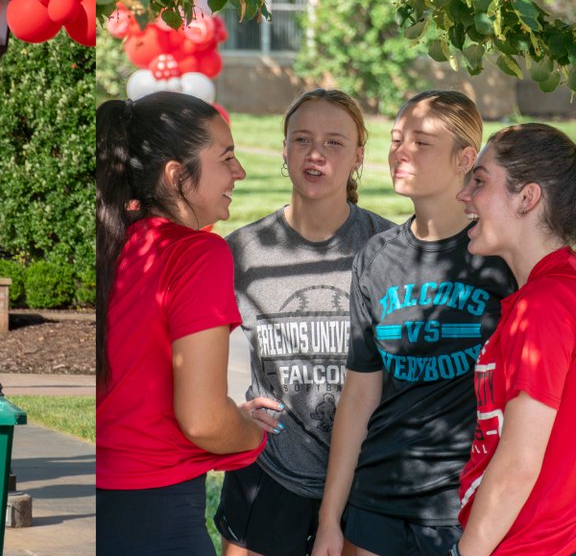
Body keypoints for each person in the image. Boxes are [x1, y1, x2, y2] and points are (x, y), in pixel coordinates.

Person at [311, 91, 516, 556]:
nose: (400, 151)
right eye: (397, 139)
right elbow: (360, 395)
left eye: (421, 142)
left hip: (463, 502)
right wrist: (329, 518)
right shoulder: (376, 258)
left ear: (465, 158)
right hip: (376, 501)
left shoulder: (499, 259)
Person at [97, 93, 280, 556]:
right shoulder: (196, 253)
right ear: (177, 176)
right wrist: (251, 433)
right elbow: (202, 420)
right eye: (227, 158)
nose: (239, 172)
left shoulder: (113, 241)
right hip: (157, 515)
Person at [216, 89, 394, 556]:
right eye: (302, 140)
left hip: (363, 475)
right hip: (269, 471)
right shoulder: (241, 252)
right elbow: (195, 360)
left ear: (358, 156)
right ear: (284, 149)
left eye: (334, 143)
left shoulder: (387, 248)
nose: (315, 154)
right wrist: (232, 413)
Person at [454, 123, 576, 556]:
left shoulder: (545, 304)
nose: (463, 195)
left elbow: (519, 463)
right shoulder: (549, 293)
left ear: (527, 198)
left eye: (480, 180)